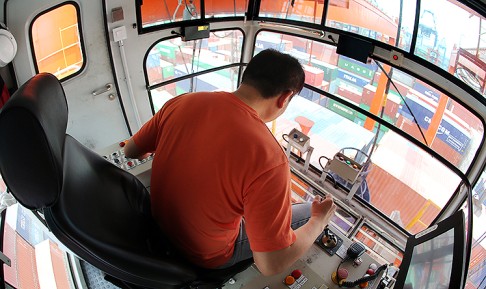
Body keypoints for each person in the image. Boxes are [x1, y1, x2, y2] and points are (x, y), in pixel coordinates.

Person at [124, 48, 336, 276]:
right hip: (207, 256)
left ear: (246, 78)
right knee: (306, 212)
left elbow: (130, 151)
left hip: (160, 228)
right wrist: (318, 220)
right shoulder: (270, 159)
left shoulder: (182, 102)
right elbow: (270, 265)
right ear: (285, 97)